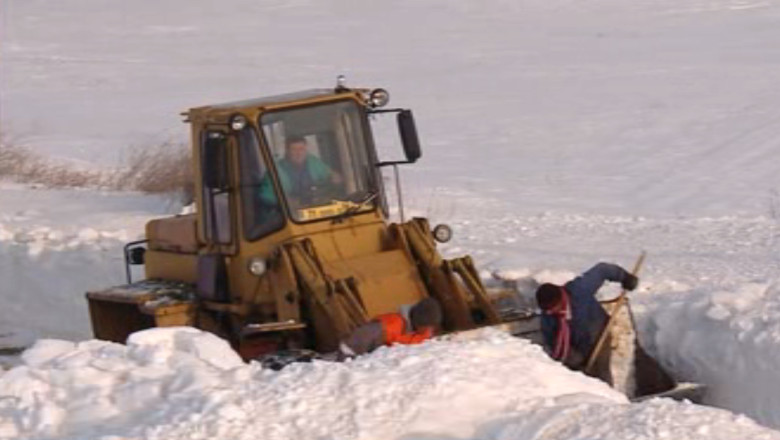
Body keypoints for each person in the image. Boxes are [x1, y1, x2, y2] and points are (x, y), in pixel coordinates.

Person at [536, 262, 638, 384]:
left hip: (599, 334)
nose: (550, 313)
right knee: (580, 379)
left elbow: (602, 270)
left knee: (601, 373)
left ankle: (609, 400)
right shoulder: (548, 316)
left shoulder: (579, 290)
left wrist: (625, 277)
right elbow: (552, 341)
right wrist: (573, 359)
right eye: (547, 310)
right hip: (575, 347)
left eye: (553, 308)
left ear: (560, 299)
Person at [338, 297, 443, 358]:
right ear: (418, 321)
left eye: (432, 327)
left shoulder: (424, 333)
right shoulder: (389, 326)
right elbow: (356, 341)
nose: (429, 331)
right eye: (427, 326)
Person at [275, 136, 342, 205]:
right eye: (294, 149)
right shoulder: (279, 168)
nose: (299, 153)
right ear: (287, 151)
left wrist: (335, 179)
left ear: (306, 150)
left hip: (317, 203)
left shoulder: (313, 162)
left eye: (301, 149)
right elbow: (274, 194)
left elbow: (333, 175)